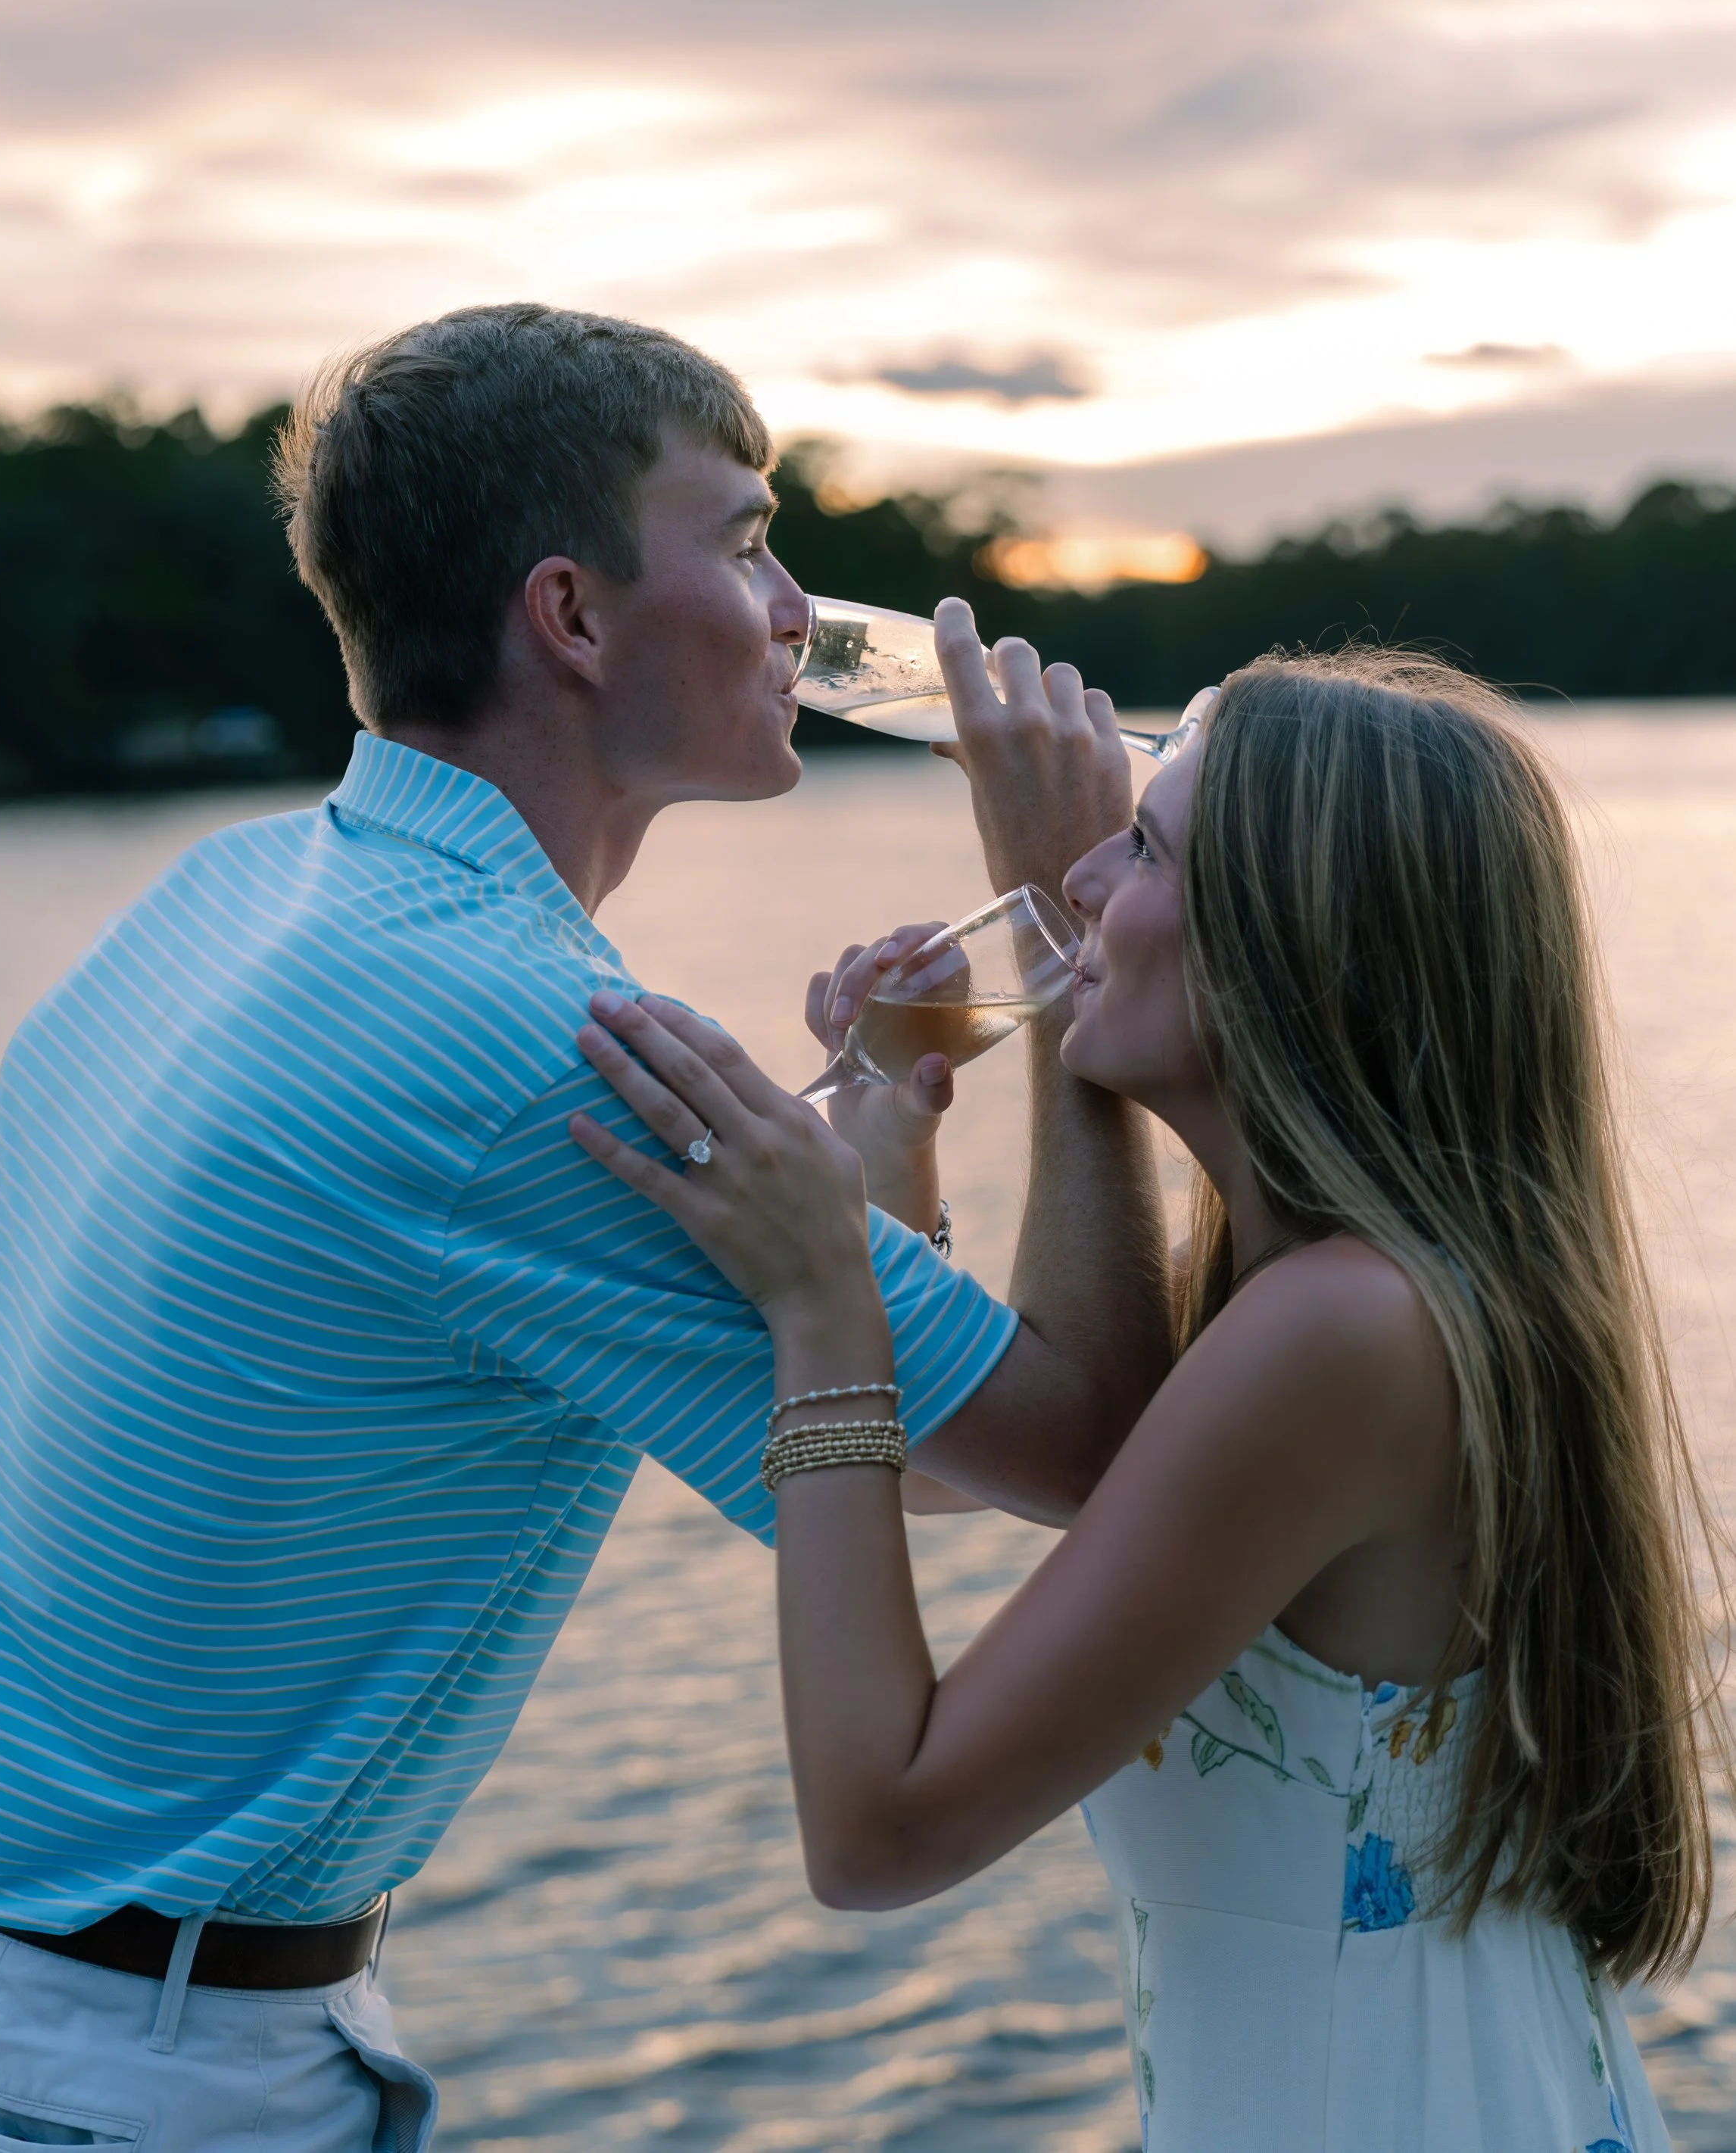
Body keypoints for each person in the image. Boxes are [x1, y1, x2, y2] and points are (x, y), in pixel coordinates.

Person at [0, 304, 1173, 2152]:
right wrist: (1066, 919)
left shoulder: (212, 899)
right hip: (127, 2080)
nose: (799, 605)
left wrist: (879, 1122)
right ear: (570, 614)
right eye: (746, 538)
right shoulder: (539, 1055)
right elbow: (1070, 1440)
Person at [570, 640, 1726, 2152]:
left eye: (1141, 843)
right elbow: (1044, 1451)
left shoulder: (1341, 1332)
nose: (1082, 880)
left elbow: (879, 1822)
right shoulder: (1332, 1301)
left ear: (1293, 939)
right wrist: (881, 1187)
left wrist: (824, 1300)